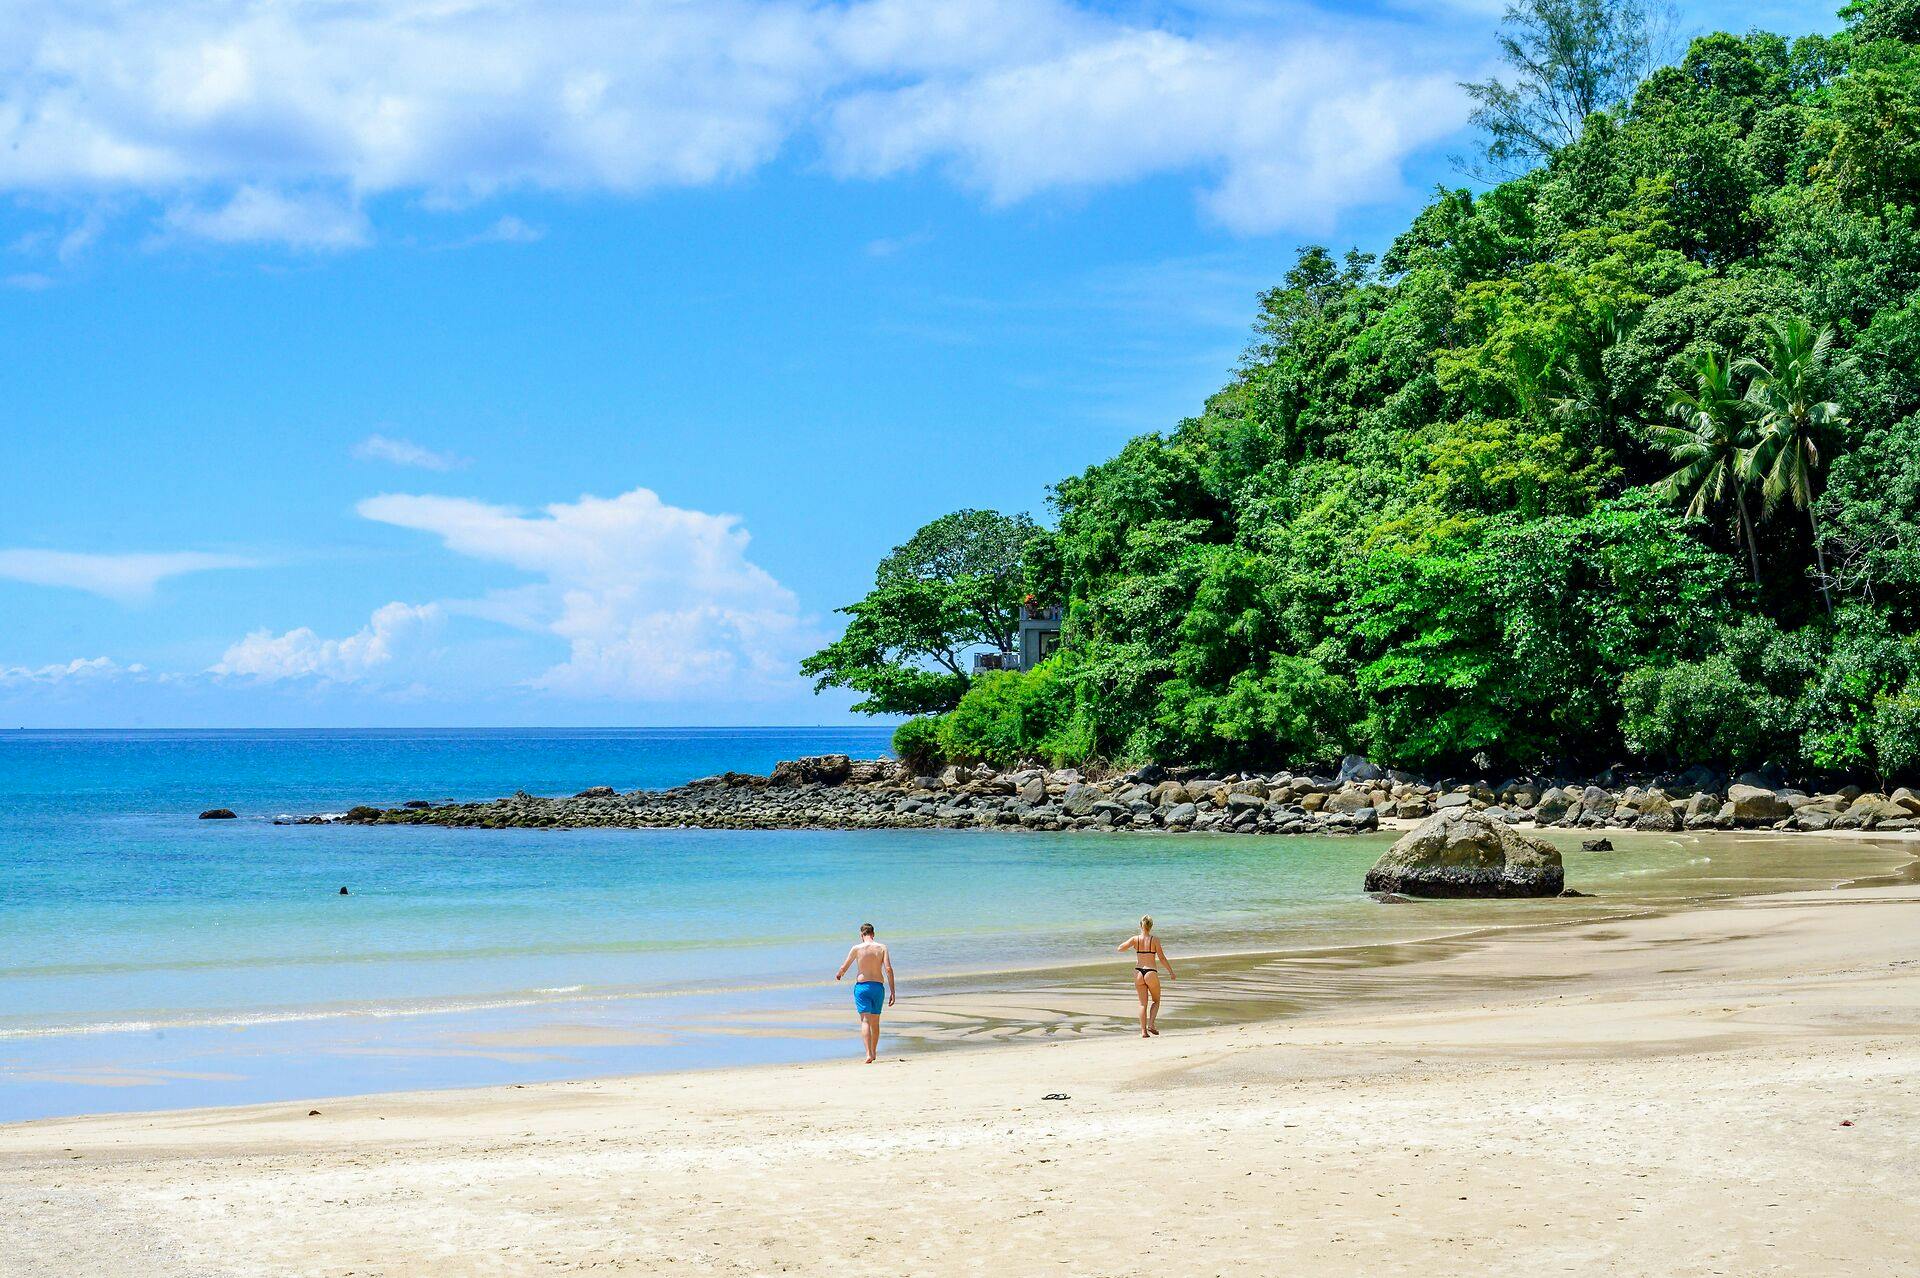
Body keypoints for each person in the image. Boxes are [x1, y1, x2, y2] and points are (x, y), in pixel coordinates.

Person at [834, 922, 896, 1063]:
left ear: (862, 935)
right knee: (876, 1022)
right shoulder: (882, 948)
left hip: (862, 987)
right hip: (877, 987)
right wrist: (892, 991)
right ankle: (874, 1052)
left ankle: (868, 1053)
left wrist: (839, 974)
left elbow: (845, 966)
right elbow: (888, 969)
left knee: (865, 1021)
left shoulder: (856, 948)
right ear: (873, 934)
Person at [1116, 914, 1174, 1037]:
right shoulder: (1155, 940)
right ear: (1151, 926)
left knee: (1142, 1004)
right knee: (1156, 1001)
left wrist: (1130, 945)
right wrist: (1171, 972)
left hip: (1138, 972)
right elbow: (1162, 958)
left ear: (1140, 925)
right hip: (1150, 972)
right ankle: (1151, 1024)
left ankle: (1143, 1031)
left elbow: (1120, 948)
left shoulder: (1135, 939)